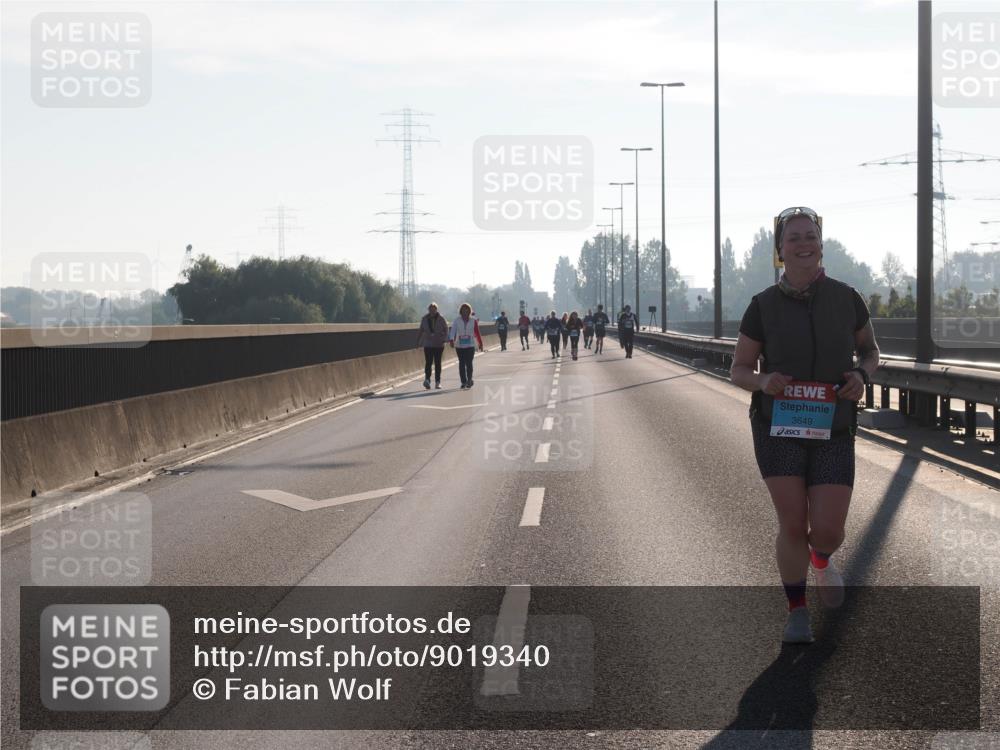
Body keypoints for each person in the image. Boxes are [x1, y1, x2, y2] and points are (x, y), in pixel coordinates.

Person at [730, 207, 880, 645]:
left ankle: (821, 558)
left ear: (821, 243)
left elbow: (870, 351)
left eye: (810, 235)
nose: (803, 243)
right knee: (792, 522)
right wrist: (764, 381)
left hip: (833, 426)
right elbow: (739, 369)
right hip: (778, 427)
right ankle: (797, 612)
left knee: (830, 528)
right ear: (780, 249)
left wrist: (862, 375)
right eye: (793, 237)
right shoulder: (762, 306)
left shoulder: (847, 297)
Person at [449, 302, 485, 389]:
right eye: (463, 310)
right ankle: (463, 381)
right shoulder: (457, 320)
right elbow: (453, 330)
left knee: (469, 363)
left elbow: (477, 332)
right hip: (459, 345)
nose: (465, 312)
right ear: (461, 311)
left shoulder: (473, 321)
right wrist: (451, 340)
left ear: (469, 311)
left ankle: (469, 379)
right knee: (461, 363)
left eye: (467, 310)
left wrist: (480, 343)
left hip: (470, 345)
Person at [416, 302, 448, 389]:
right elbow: (421, 330)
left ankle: (438, 382)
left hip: (438, 344)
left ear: (436, 310)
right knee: (428, 363)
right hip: (428, 344)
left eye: (434, 309)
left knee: (438, 363)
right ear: (428, 310)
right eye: (430, 309)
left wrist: (444, 339)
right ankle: (427, 380)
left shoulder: (441, 319)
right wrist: (418, 341)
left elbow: (446, 329)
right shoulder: (424, 319)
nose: (432, 311)